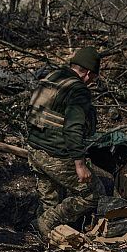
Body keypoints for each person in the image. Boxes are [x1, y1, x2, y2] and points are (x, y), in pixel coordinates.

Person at [26, 47, 102, 237]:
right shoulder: (78, 90)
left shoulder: (52, 77)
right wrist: (80, 163)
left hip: (34, 150)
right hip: (56, 154)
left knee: (50, 200)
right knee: (92, 194)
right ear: (88, 74)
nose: (92, 83)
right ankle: (43, 224)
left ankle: (45, 238)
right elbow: (73, 128)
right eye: (93, 78)